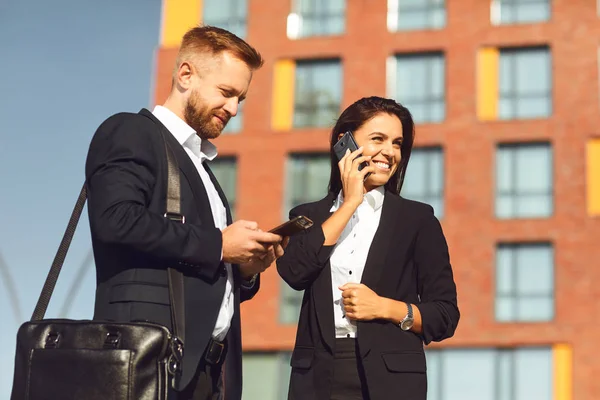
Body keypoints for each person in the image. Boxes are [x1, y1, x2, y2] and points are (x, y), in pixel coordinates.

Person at [85, 26, 284, 400]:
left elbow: (192, 269)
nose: (233, 109)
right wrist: (220, 245)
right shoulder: (130, 131)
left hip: (206, 373)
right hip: (146, 364)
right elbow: (116, 220)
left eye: (240, 98)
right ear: (185, 75)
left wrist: (243, 272)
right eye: (226, 93)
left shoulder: (204, 169)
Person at [276, 96, 460, 400]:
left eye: (397, 143)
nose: (389, 152)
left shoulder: (418, 220)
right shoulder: (307, 216)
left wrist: (385, 308)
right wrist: (350, 203)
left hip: (393, 382)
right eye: (378, 139)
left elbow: (444, 316)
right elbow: (296, 272)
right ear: (343, 143)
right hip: (317, 379)